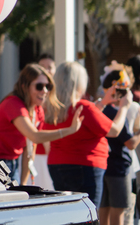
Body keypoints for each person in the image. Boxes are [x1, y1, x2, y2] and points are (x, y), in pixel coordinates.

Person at [43, 61, 130, 209]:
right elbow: (114, 130)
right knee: (87, 214)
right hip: (85, 165)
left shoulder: (51, 108)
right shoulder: (84, 107)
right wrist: (124, 107)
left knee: (66, 214)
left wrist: (102, 103)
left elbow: (84, 120)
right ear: (78, 83)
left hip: (57, 165)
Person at [0, 63, 81, 185]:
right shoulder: (13, 104)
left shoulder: (37, 109)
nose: (45, 91)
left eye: (48, 86)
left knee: (17, 199)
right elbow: (35, 136)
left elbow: (30, 149)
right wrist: (69, 130)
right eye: (39, 86)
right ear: (25, 86)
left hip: (13, 161)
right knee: (4, 202)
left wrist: (24, 184)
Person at [99, 67, 140, 225]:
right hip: (119, 169)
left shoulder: (100, 110)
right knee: (118, 216)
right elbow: (131, 143)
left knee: (103, 215)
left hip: (102, 168)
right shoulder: (117, 114)